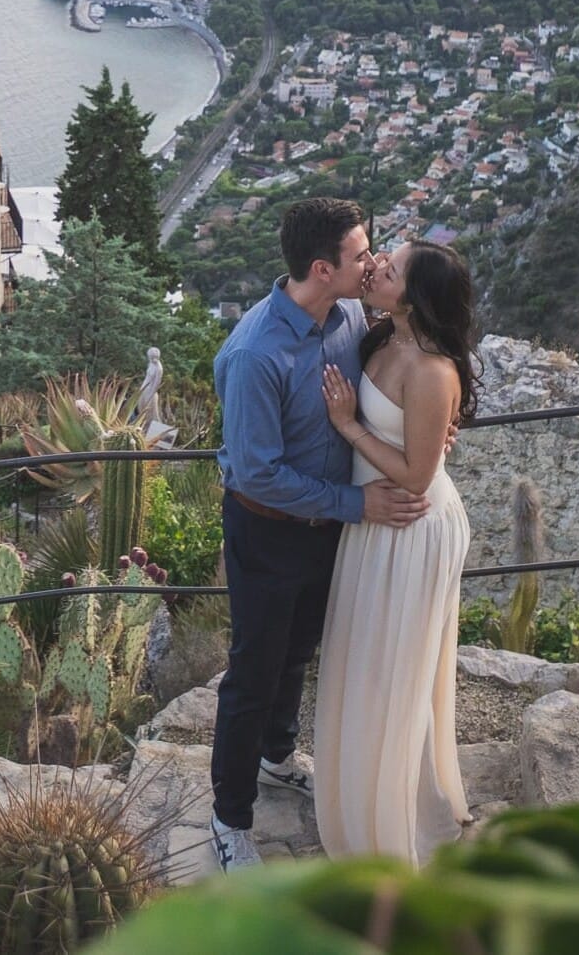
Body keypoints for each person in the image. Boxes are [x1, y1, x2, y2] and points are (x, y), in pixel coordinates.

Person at [207, 198, 430, 871]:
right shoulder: (254, 353)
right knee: (252, 672)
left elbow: (408, 366)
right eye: (361, 254)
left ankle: (277, 757)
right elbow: (255, 473)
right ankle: (229, 818)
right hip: (268, 531)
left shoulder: (347, 318)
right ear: (320, 266)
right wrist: (354, 503)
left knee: (297, 650)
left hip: (325, 528)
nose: (372, 263)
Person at [314, 239, 477, 863]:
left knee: (393, 672)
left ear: (416, 296)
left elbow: (415, 475)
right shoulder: (378, 333)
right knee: (372, 662)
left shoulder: (432, 369)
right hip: (373, 521)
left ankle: (398, 820)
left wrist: (350, 425)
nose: (378, 264)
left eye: (393, 267)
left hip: (411, 525)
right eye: (384, 256)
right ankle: (377, 796)